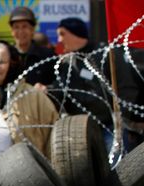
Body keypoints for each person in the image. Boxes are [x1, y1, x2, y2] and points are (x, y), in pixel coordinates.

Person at [52, 17, 139, 158]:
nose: (59, 40)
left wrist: (120, 120)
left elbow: (126, 89)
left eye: (62, 34)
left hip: (110, 126)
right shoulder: (66, 63)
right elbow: (60, 93)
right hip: (78, 131)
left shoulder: (106, 55)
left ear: (76, 33)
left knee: (117, 162)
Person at [8, 6, 55, 87]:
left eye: (24, 26)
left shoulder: (47, 56)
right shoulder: (6, 55)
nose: (20, 31)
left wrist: (47, 88)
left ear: (32, 29)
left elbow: (58, 84)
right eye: (16, 27)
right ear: (11, 31)